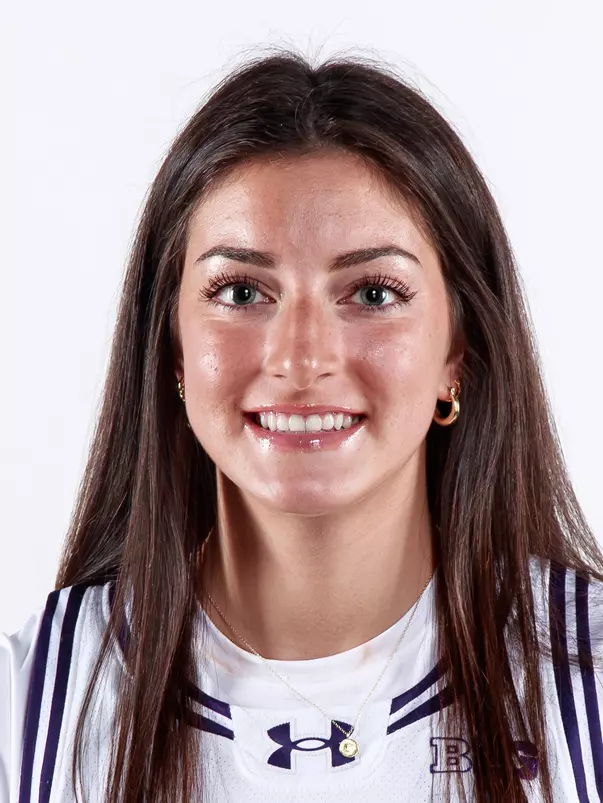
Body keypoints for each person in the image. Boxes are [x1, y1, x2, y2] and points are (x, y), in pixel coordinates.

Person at [1, 47, 602, 803]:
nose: (300, 356)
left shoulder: (587, 682)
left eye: (374, 293)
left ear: (460, 350)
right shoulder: (30, 709)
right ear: (172, 345)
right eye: (242, 291)